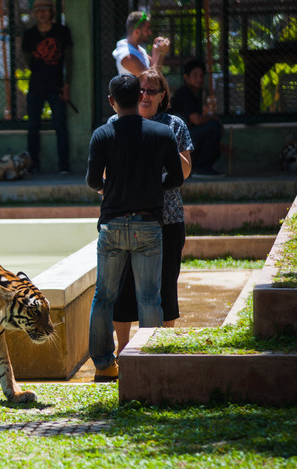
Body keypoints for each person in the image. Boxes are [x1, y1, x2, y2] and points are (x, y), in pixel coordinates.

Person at [86, 74, 184, 382]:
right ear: (138, 97)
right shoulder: (163, 133)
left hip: (112, 225)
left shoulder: (102, 135)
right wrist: (154, 188)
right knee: (149, 297)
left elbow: (92, 181)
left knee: (104, 296)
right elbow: (177, 178)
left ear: (112, 101)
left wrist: (110, 188)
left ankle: (103, 364)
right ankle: (151, 362)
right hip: (149, 226)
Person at [108, 70, 193, 355]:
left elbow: (185, 169)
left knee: (166, 284)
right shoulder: (115, 123)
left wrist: (162, 144)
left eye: (152, 91)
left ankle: (161, 349)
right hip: (126, 217)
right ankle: (123, 349)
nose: (145, 95)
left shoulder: (174, 125)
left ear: (162, 96)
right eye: (140, 90)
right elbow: (104, 174)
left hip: (167, 218)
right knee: (123, 285)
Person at [21, 0, 73, 174]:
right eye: (38, 10)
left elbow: (69, 60)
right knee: (32, 126)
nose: (42, 13)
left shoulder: (62, 32)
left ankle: (64, 166)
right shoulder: (29, 35)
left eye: (45, 10)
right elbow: (28, 60)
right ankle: (33, 165)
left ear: (51, 12)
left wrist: (66, 85)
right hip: (36, 86)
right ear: (34, 13)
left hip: (57, 86)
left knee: (60, 126)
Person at [169, 59, 224, 177]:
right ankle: (201, 168)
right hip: (177, 138)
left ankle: (198, 167)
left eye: (201, 75)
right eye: (195, 75)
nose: (199, 79)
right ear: (186, 77)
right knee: (214, 126)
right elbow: (196, 120)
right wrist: (213, 118)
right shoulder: (185, 93)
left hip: (184, 136)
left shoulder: (193, 95)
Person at [112, 11, 170, 76]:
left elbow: (152, 68)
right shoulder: (127, 56)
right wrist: (161, 54)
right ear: (136, 32)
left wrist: (156, 51)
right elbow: (151, 80)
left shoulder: (138, 49)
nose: (149, 32)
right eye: (147, 29)